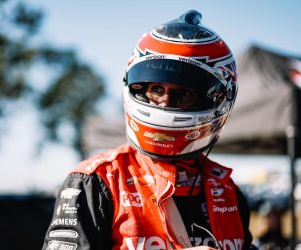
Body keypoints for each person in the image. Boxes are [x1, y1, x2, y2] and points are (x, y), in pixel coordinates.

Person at [42, 10, 256, 250]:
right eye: (156, 89)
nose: (164, 102)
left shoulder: (227, 190)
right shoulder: (96, 180)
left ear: (215, 100)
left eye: (183, 94)